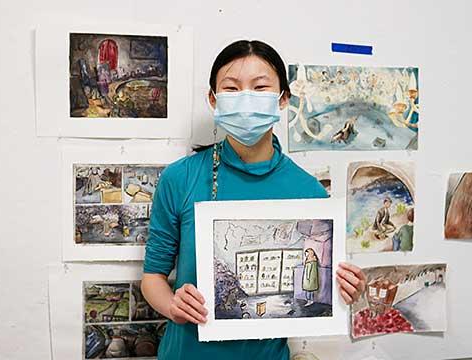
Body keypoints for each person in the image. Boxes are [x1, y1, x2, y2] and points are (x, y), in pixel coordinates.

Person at [140, 40, 366, 360]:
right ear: (213, 100)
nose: (246, 99)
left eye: (260, 87)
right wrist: (172, 305)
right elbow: (152, 278)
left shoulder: (309, 191)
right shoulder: (180, 178)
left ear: (282, 98)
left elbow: (317, 287)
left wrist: (345, 288)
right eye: (231, 88)